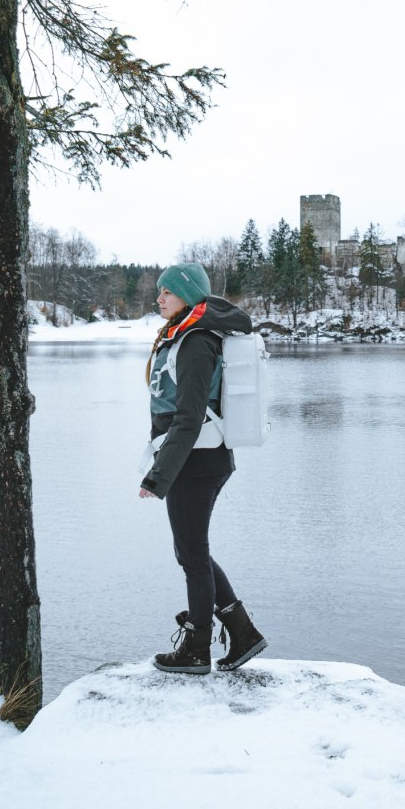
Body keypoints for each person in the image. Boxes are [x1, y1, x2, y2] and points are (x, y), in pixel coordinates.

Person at [139, 262, 267, 675]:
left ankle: (197, 648)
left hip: (197, 459)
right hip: (197, 457)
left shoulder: (195, 341)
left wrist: (158, 476)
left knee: (192, 554)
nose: (158, 298)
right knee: (190, 549)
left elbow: (189, 416)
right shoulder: (184, 334)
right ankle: (242, 631)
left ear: (188, 295)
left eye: (167, 292)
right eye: (159, 291)